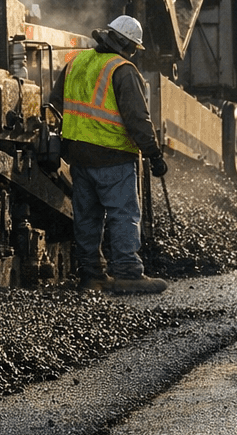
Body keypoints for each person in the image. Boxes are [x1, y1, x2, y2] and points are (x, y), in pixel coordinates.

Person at [50, 15, 170, 294]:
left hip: (78, 156)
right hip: (113, 155)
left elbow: (56, 105)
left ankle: (92, 276)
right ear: (128, 45)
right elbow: (137, 119)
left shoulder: (75, 62)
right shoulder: (122, 69)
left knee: (87, 217)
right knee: (123, 214)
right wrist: (154, 154)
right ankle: (127, 273)